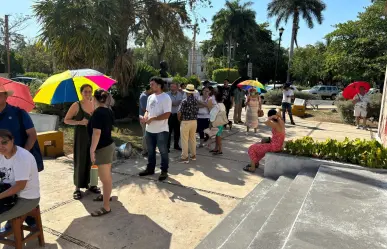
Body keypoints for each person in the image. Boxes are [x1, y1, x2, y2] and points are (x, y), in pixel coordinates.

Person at [0, 83, 42, 230]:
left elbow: (32, 135)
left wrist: (22, 155)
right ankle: (12, 218)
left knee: (26, 189)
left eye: (0, 94)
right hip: (3, 160)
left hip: (22, 157)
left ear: (6, 96)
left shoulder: (19, 113)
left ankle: (31, 220)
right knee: (7, 185)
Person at [64, 84, 101, 200]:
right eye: (85, 91)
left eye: (90, 91)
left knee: (93, 161)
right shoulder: (76, 105)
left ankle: (92, 184)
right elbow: (66, 120)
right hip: (81, 137)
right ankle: (77, 188)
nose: (88, 94)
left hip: (93, 137)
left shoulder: (95, 104)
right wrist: (79, 122)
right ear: (81, 92)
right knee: (80, 160)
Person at [0, 129, 40, 223]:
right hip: (8, 194)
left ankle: (11, 226)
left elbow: (20, 186)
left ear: (12, 140)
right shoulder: (2, 155)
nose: (1, 146)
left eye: (4, 142)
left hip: (26, 198)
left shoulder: (21, 158)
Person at [88, 89, 115, 217]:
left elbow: (97, 133)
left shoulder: (98, 113)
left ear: (95, 99)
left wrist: (92, 150)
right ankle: (106, 196)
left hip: (102, 148)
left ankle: (106, 207)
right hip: (108, 145)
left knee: (105, 179)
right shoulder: (108, 111)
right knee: (107, 176)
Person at [139, 77, 171, 181]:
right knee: (150, 151)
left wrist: (154, 118)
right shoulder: (150, 97)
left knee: (163, 151)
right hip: (149, 130)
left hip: (161, 130)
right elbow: (147, 110)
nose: (150, 86)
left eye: (152, 84)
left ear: (159, 85)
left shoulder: (166, 97)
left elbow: (167, 114)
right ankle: (150, 169)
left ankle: (164, 171)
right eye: (150, 84)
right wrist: (145, 117)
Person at [178, 84, 198, 163]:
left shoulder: (184, 101)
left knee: (184, 140)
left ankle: (184, 157)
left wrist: (179, 120)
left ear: (186, 92)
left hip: (186, 121)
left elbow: (179, 112)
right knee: (192, 139)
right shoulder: (196, 100)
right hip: (194, 121)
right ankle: (193, 155)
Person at [167, 82, 183, 152]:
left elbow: (181, 103)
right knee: (168, 132)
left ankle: (176, 145)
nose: (172, 88)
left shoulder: (180, 94)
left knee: (177, 131)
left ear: (177, 87)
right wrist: (175, 103)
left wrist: (173, 103)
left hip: (177, 115)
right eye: (171, 87)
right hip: (169, 115)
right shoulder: (167, 95)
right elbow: (169, 103)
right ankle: (167, 147)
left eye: (174, 87)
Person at [139, 86, 153, 156]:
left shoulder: (148, 95)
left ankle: (148, 149)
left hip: (147, 117)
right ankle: (144, 150)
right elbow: (144, 108)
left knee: (148, 134)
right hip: (143, 117)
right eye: (151, 89)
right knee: (145, 134)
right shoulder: (144, 96)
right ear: (149, 89)